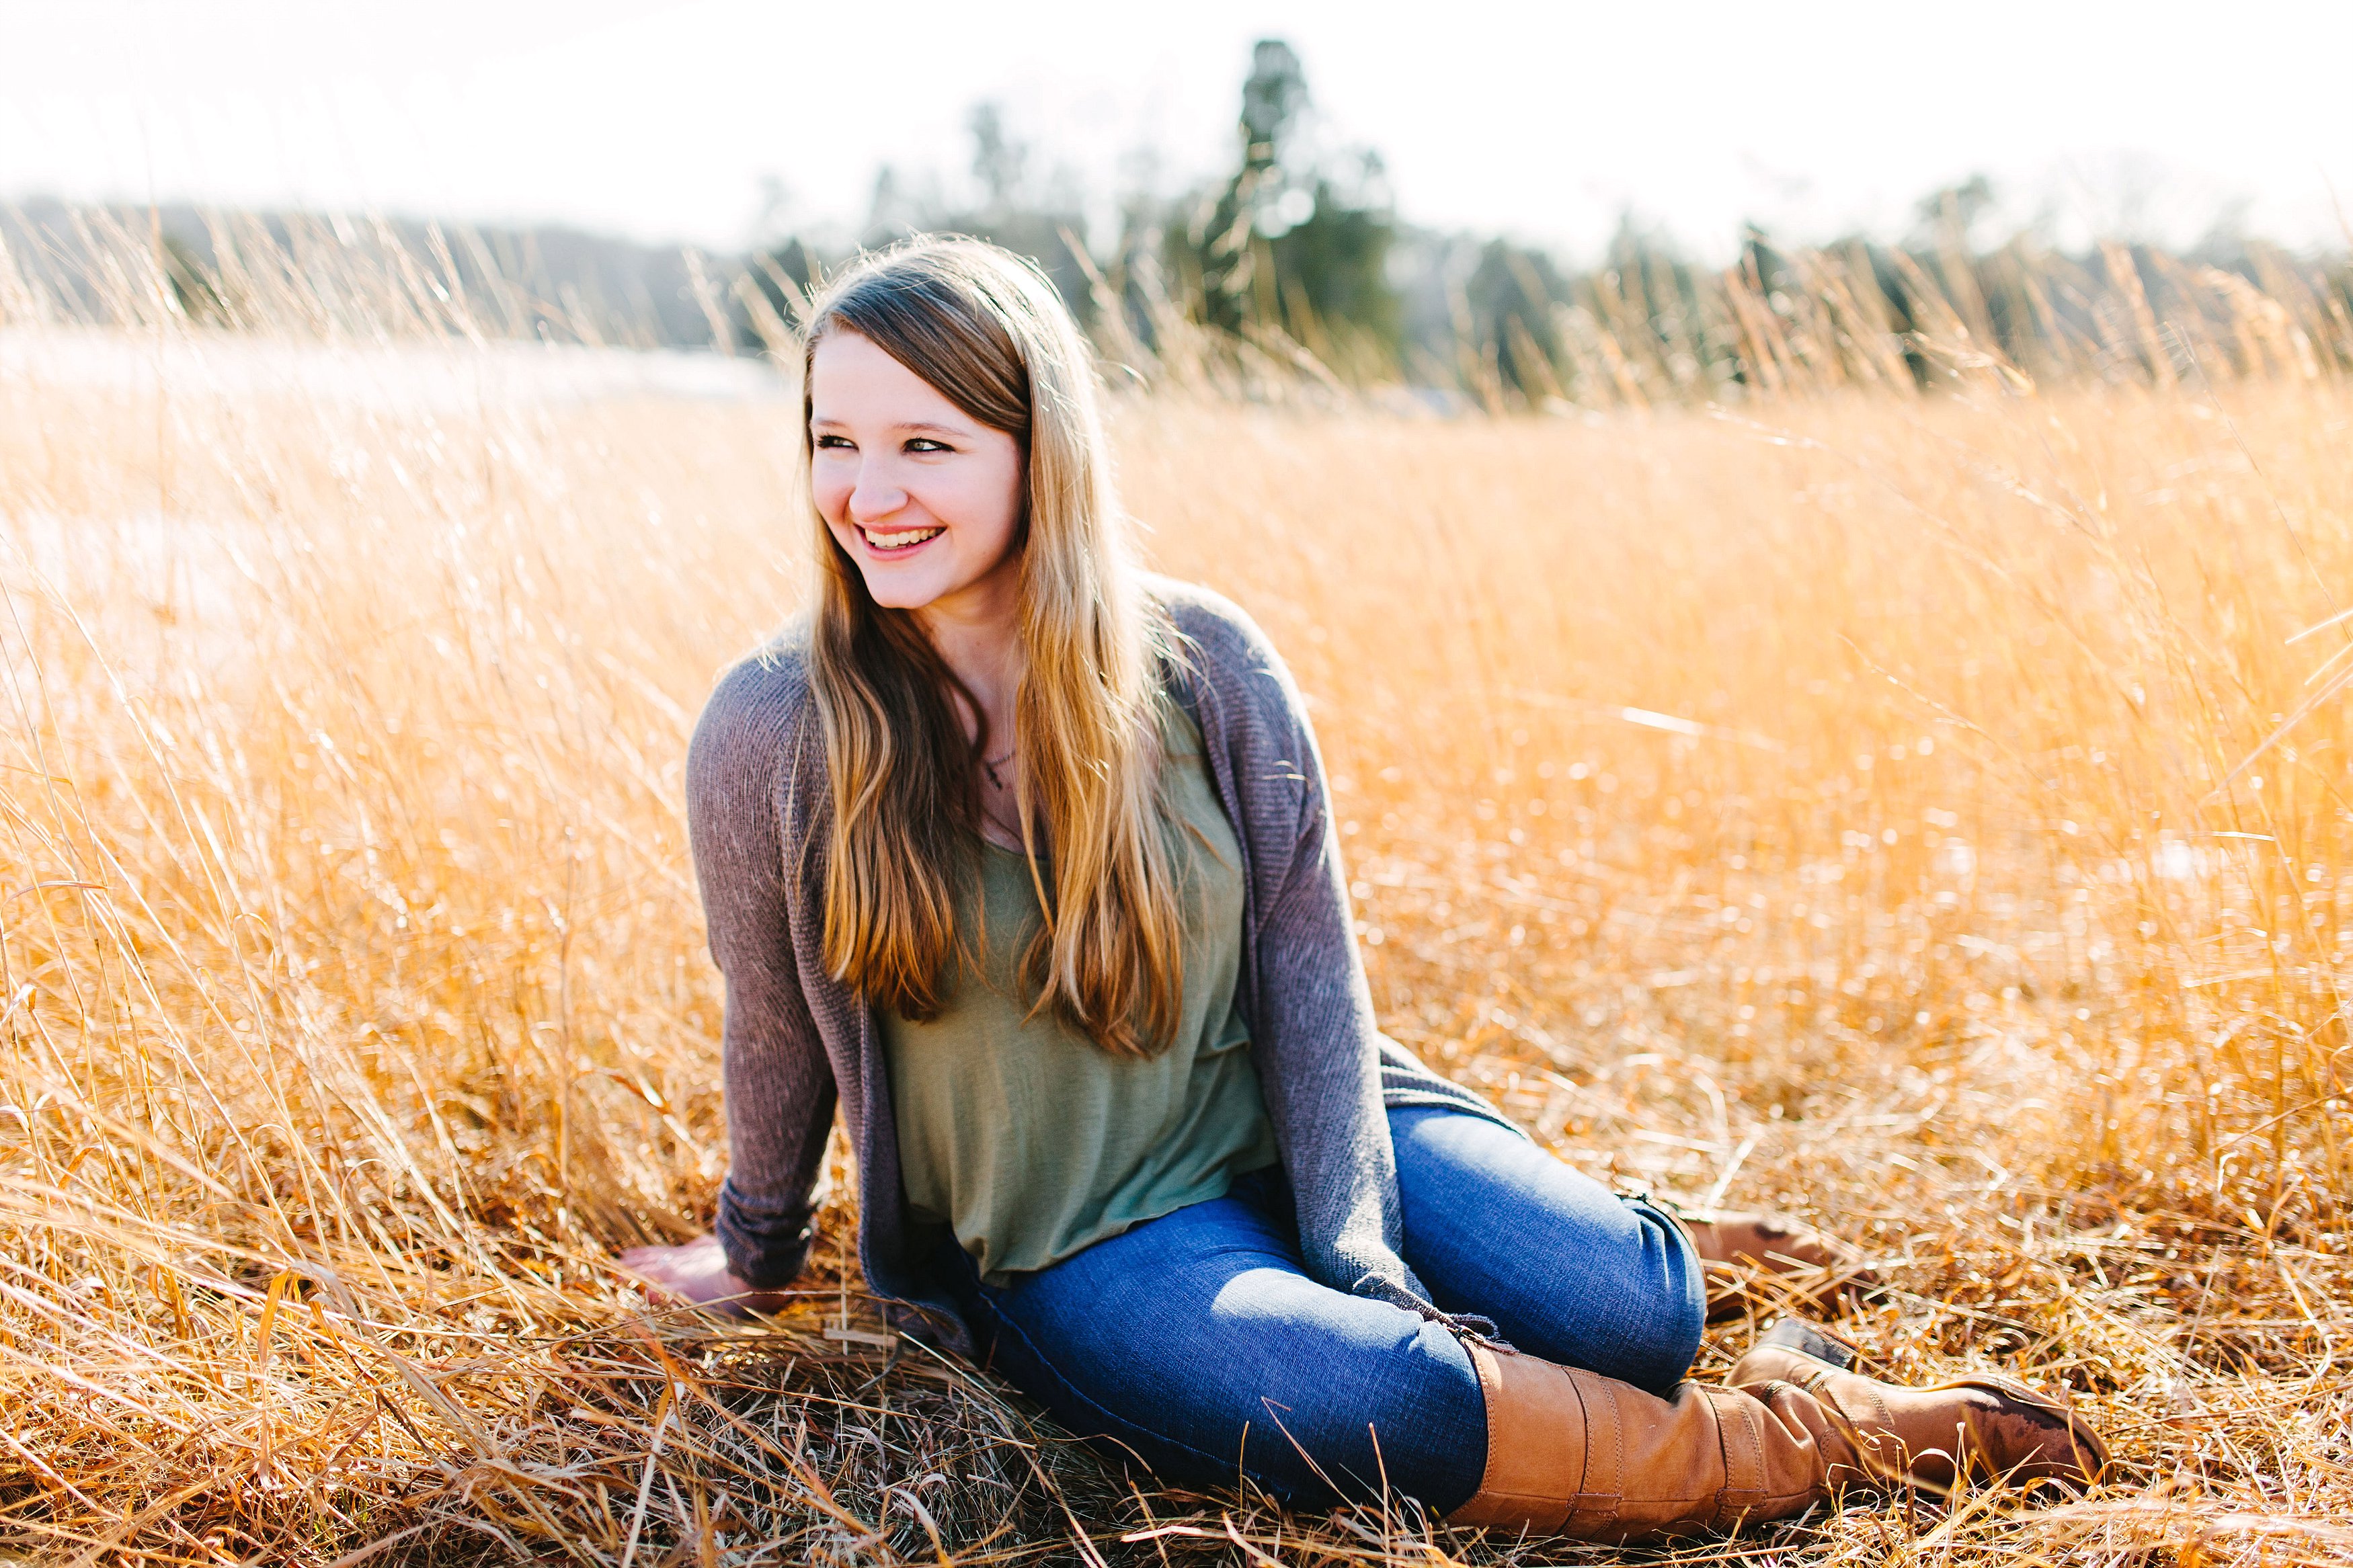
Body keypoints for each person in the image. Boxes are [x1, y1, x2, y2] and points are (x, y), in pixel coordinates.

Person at [619, 237, 2107, 1538]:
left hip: (1305, 1113)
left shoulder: (1203, 667)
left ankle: (1619, 1248)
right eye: (834, 441)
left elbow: (1307, 972)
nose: (866, 495)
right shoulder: (776, 728)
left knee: (1633, 1320)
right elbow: (772, 1023)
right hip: (1085, 1243)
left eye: (925, 447)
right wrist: (750, 1251)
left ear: (1036, 449)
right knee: (1386, 1400)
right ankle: (1796, 1436)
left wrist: (1356, 1246)